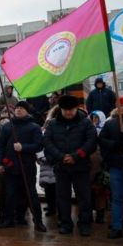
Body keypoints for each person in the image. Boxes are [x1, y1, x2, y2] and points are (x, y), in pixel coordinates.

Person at [43, 95, 97, 236]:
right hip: (61, 167)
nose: (68, 113)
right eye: (65, 110)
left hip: (81, 166)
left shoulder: (86, 123)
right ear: (60, 109)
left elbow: (91, 142)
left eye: (71, 110)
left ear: (76, 108)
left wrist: (76, 156)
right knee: (62, 197)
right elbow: (48, 142)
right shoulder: (52, 124)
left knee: (84, 197)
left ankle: (84, 224)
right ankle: (65, 223)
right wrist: (62, 156)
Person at [0, 101, 46, 232]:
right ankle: (9, 219)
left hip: (27, 166)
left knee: (31, 194)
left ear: (27, 111)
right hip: (10, 166)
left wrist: (23, 147)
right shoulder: (8, 127)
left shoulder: (34, 127)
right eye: (17, 108)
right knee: (10, 193)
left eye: (22, 108)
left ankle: (38, 221)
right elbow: (0, 145)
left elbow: (39, 145)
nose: (18, 110)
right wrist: (0, 163)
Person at [98, 97, 123, 238]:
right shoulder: (110, 124)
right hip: (116, 165)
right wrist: (115, 145)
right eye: (121, 106)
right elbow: (101, 140)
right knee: (117, 197)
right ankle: (117, 226)